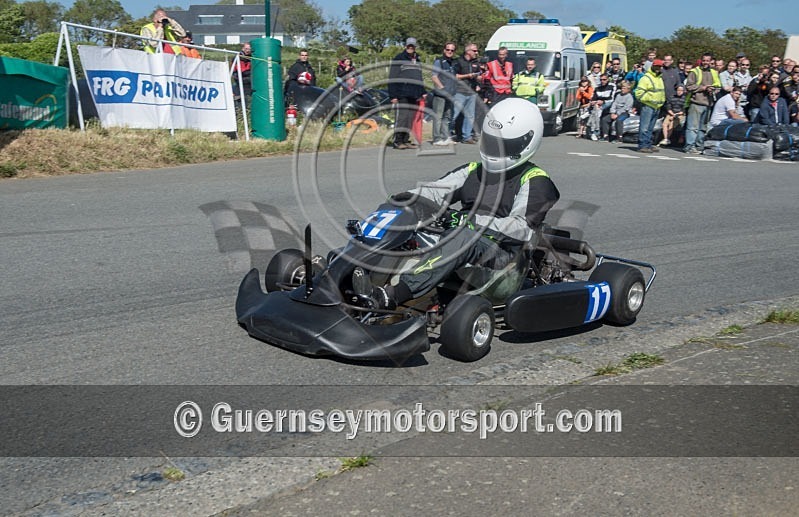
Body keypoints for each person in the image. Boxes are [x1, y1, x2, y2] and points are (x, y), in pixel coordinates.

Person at [367, 98, 560, 310]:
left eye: (504, 145)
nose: (496, 150)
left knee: (462, 237)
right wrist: (404, 200)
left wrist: (468, 221)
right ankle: (351, 277)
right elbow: (434, 192)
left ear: (525, 142)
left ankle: (394, 294)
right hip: (463, 246)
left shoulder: (536, 180)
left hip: (503, 267)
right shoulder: (473, 170)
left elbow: (520, 230)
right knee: (405, 223)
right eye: (491, 142)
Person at [388, 37, 425, 149]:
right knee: (402, 118)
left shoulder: (417, 60)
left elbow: (419, 77)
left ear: (415, 47)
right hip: (401, 93)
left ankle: (405, 139)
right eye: (409, 46)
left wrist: (422, 92)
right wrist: (393, 95)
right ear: (405, 46)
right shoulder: (399, 58)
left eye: (412, 46)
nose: (410, 48)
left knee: (410, 118)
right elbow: (392, 77)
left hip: (414, 94)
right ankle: (397, 141)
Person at [683, 53, 721, 154]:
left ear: (711, 62)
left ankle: (699, 146)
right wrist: (702, 88)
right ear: (701, 60)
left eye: (708, 61)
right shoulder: (695, 72)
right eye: (704, 60)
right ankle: (689, 146)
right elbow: (689, 86)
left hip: (708, 103)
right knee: (692, 127)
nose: (705, 62)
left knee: (703, 128)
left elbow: (718, 87)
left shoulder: (714, 72)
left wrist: (712, 90)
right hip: (696, 102)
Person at [451, 43, 482, 144]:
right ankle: (446, 134)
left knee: (470, 116)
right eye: (474, 51)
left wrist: (478, 79)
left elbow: (478, 75)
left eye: (477, 51)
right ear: (468, 51)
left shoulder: (476, 62)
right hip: (459, 91)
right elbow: (455, 76)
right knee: (454, 114)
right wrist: (468, 75)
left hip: (471, 92)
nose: (476, 53)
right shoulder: (458, 61)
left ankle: (467, 137)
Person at [634, 58, 666, 153]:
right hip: (648, 106)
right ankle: (642, 145)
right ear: (652, 66)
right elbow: (639, 93)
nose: (658, 68)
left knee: (651, 128)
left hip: (657, 106)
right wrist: (650, 99)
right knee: (644, 127)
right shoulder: (646, 78)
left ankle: (648, 144)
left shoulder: (659, 78)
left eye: (660, 66)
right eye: (656, 66)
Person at [431, 42, 458, 145]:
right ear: (444, 50)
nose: (450, 52)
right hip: (440, 94)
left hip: (450, 94)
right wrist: (441, 87)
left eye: (452, 50)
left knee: (447, 117)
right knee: (438, 116)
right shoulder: (439, 62)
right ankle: (437, 139)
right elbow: (434, 76)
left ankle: (445, 137)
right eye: (448, 49)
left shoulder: (453, 63)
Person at [588, 74, 616, 140]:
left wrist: (603, 101)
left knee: (598, 110)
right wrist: (593, 102)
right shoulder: (598, 88)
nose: (602, 81)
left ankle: (595, 132)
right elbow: (593, 97)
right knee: (594, 109)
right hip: (598, 104)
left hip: (609, 104)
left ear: (607, 79)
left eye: (604, 80)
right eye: (601, 80)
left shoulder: (612, 86)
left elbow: (612, 99)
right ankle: (594, 130)